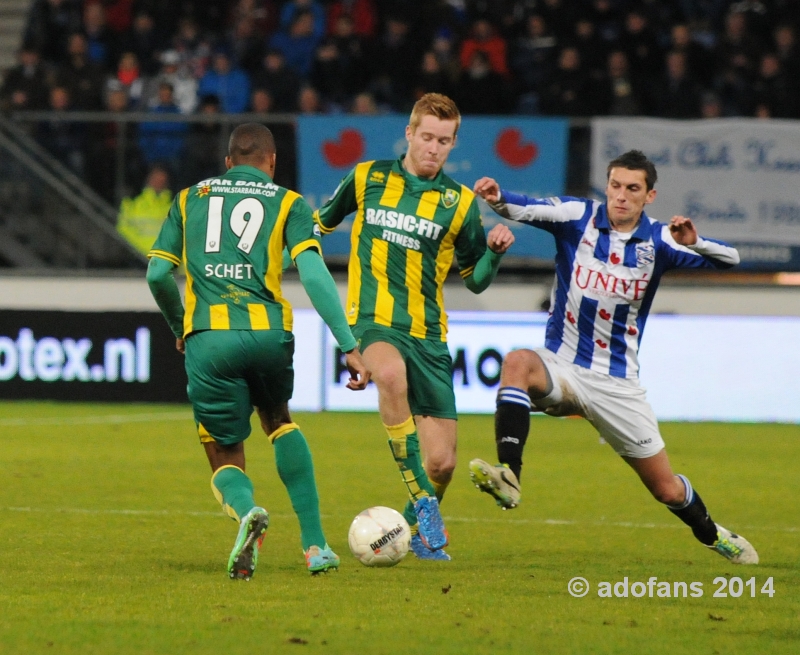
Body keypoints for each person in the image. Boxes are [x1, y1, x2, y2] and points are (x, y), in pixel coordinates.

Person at [468, 149, 758, 565]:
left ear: (649, 196)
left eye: (632, 189)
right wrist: (497, 197)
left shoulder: (660, 240)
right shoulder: (576, 217)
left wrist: (694, 243)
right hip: (562, 366)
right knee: (516, 361)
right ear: (607, 186)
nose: (621, 196)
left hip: (617, 386)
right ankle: (509, 473)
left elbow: (732, 259)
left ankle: (714, 534)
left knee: (667, 490)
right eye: (615, 186)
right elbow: (525, 208)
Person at [146, 123, 369, 579]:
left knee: (224, 453)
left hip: (209, 339)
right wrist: (349, 345)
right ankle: (316, 547)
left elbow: (156, 275)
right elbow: (312, 274)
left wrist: (179, 327)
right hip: (269, 335)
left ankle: (248, 512)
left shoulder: (189, 199)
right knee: (279, 422)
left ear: (228, 163)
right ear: (272, 162)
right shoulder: (289, 202)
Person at [313, 93, 515, 561]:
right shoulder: (367, 177)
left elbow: (476, 281)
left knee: (443, 462)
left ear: (453, 144)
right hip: (373, 320)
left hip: (428, 335)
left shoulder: (460, 203)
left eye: (444, 141)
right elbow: (319, 225)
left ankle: (413, 532)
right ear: (409, 133)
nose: (433, 147)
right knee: (388, 375)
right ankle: (424, 503)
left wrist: (494, 254)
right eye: (426, 137)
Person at [117, 164, 173, 255]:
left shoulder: (174, 207)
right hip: (138, 258)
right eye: (156, 179)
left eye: (162, 180)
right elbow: (123, 229)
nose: (158, 183)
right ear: (148, 180)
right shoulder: (131, 203)